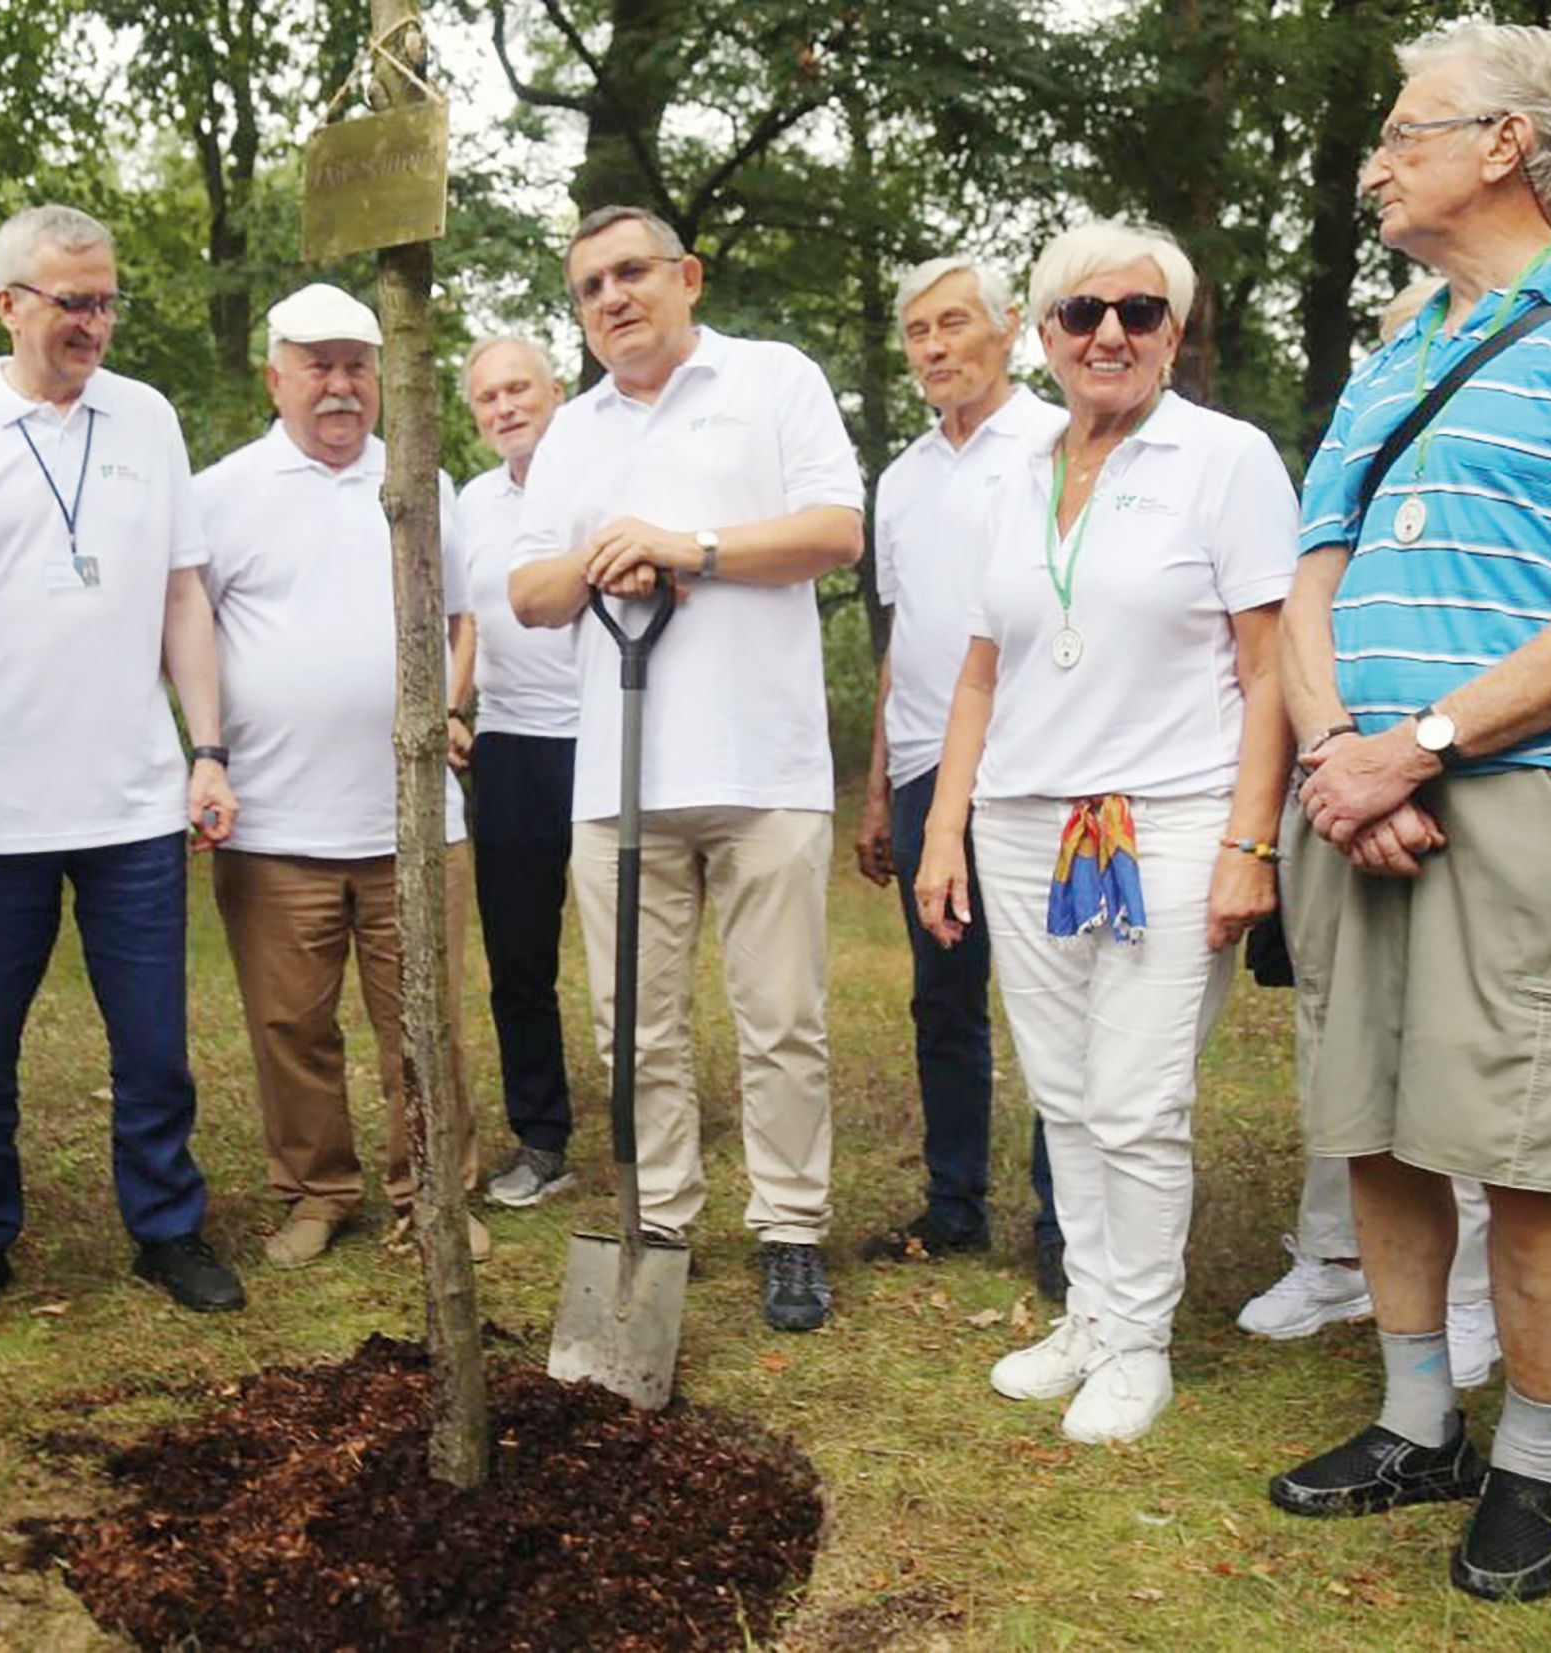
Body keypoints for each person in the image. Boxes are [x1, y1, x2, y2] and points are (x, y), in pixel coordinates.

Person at [1270, 21, 1551, 1601]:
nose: (1376, 164)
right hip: (1358, 798)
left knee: (1534, 1149)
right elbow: (1312, 574)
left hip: (1539, 798)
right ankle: (1419, 1422)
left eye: (1405, 131)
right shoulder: (1396, 353)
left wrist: (1418, 747)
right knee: (1376, 1124)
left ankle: (1538, 1460)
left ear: (1508, 145)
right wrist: (1339, 755)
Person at [913, 220, 1297, 1440]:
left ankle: (1138, 1343)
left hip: (1169, 818)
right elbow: (978, 673)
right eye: (1082, 313)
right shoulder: (1015, 476)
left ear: (1172, 333)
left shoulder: (1225, 459)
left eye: (1139, 311)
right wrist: (943, 828)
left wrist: (1249, 841)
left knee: (1135, 1097)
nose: (1109, 334)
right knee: (1066, 1093)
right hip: (1024, 822)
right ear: (1044, 333)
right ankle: (1088, 1312)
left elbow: (1270, 668)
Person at [0, 204, 245, 1329]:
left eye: (105, 302)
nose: (93, 323)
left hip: (132, 797)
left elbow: (183, 594)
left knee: (154, 1042)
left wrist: (207, 749)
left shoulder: (147, 417)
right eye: (71, 302)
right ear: (7, 304)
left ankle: (168, 1228)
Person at [511, 206, 865, 1333]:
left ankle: (790, 1226)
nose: (611, 298)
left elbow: (835, 531)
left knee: (781, 1017)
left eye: (631, 273)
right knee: (635, 1024)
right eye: (589, 287)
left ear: (688, 277)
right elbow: (528, 594)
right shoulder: (571, 432)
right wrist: (601, 557)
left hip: (765, 767)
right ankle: (659, 1218)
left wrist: (689, 549)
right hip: (619, 781)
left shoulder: (773, 379)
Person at [1238, 274, 1497, 1391]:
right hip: (1335, 782)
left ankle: (1471, 1298)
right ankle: (1333, 1256)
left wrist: (1401, 770)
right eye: (1398, 349)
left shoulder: (1490, 481)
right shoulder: (1344, 472)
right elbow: (1302, 628)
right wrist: (1335, 761)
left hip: (1455, 787)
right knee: (1336, 1039)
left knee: (1455, 1053)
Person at [198, 282, 485, 1270]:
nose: (338, 385)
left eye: (356, 366)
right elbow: (185, 632)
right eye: (316, 365)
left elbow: (463, 619)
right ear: (274, 378)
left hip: (414, 821)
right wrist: (205, 756)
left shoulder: (418, 483)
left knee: (425, 1022)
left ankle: (432, 1193)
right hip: (275, 823)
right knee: (291, 1026)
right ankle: (315, 1192)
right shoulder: (221, 493)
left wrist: (451, 707)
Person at [851, 254, 1066, 1299]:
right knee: (942, 995)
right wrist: (875, 785)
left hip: (1032, 757)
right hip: (920, 765)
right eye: (917, 332)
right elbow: (904, 636)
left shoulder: (1056, 443)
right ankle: (953, 1204)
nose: (935, 348)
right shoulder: (899, 480)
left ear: (1007, 327)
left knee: (1051, 994)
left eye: (953, 324)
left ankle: (1065, 1224)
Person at [450, 335, 581, 1208]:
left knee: (634, 951)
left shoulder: (600, 477)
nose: (504, 407)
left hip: (607, 741)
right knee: (519, 957)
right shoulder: (472, 502)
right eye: (487, 397)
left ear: (555, 392)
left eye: (518, 389)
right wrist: (453, 706)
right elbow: (469, 621)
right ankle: (542, 1138)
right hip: (510, 747)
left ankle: (650, 1127)